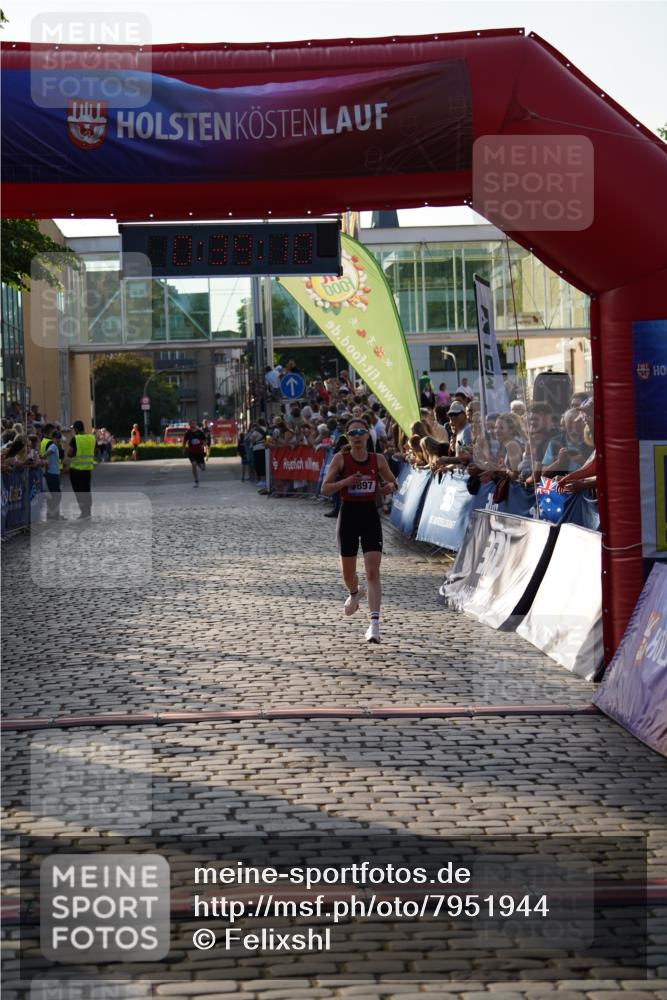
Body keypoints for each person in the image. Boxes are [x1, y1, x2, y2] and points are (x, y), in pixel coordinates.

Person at [321, 417, 398, 644]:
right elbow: (325, 488)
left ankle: (374, 625)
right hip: (348, 517)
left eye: (360, 432)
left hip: (370, 517)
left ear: (367, 435)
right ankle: (355, 593)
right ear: (347, 437)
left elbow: (394, 482)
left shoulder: (378, 459)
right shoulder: (341, 459)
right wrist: (346, 482)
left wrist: (389, 487)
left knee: (372, 572)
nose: (356, 436)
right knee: (348, 574)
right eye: (352, 433)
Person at [65, 420, 96, 519]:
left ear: (76, 429)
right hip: (87, 470)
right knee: (86, 491)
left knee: (79, 492)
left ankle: (83, 512)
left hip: (76, 470)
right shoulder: (92, 437)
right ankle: (88, 511)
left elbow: (69, 453)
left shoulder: (75, 438)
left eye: (74, 429)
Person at [44, 428, 64, 520]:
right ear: (53, 438)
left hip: (54, 473)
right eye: (57, 438)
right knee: (56, 495)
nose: (58, 440)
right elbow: (48, 453)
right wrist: (42, 457)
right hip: (52, 474)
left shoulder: (55, 446)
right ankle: (53, 514)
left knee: (55, 495)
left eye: (59, 438)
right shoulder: (53, 446)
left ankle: (53, 514)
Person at [183, 419, 207, 487]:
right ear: (189, 425)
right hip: (191, 452)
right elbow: (184, 441)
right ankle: (196, 480)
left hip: (199, 452)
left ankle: (198, 463)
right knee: (193, 465)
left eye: (194, 423)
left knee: (203, 468)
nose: (193, 425)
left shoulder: (200, 432)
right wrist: (183, 448)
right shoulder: (188, 433)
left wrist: (203, 446)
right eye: (191, 424)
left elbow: (205, 441)